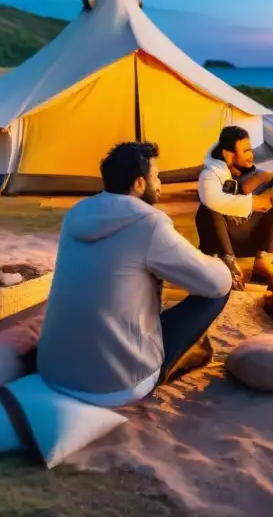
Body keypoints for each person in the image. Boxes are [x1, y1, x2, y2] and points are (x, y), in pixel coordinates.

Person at [37, 141, 235, 408]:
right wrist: (223, 264)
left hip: (53, 370)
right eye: (157, 177)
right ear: (140, 184)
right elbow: (215, 283)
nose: (161, 184)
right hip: (119, 383)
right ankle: (175, 359)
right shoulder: (148, 222)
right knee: (220, 287)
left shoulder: (76, 214)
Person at [196, 125, 273, 286]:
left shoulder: (254, 170)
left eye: (250, 150)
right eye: (245, 151)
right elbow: (213, 200)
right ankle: (229, 264)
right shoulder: (209, 174)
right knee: (208, 209)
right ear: (228, 155)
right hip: (220, 242)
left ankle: (262, 263)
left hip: (246, 236)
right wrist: (253, 202)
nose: (251, 155)